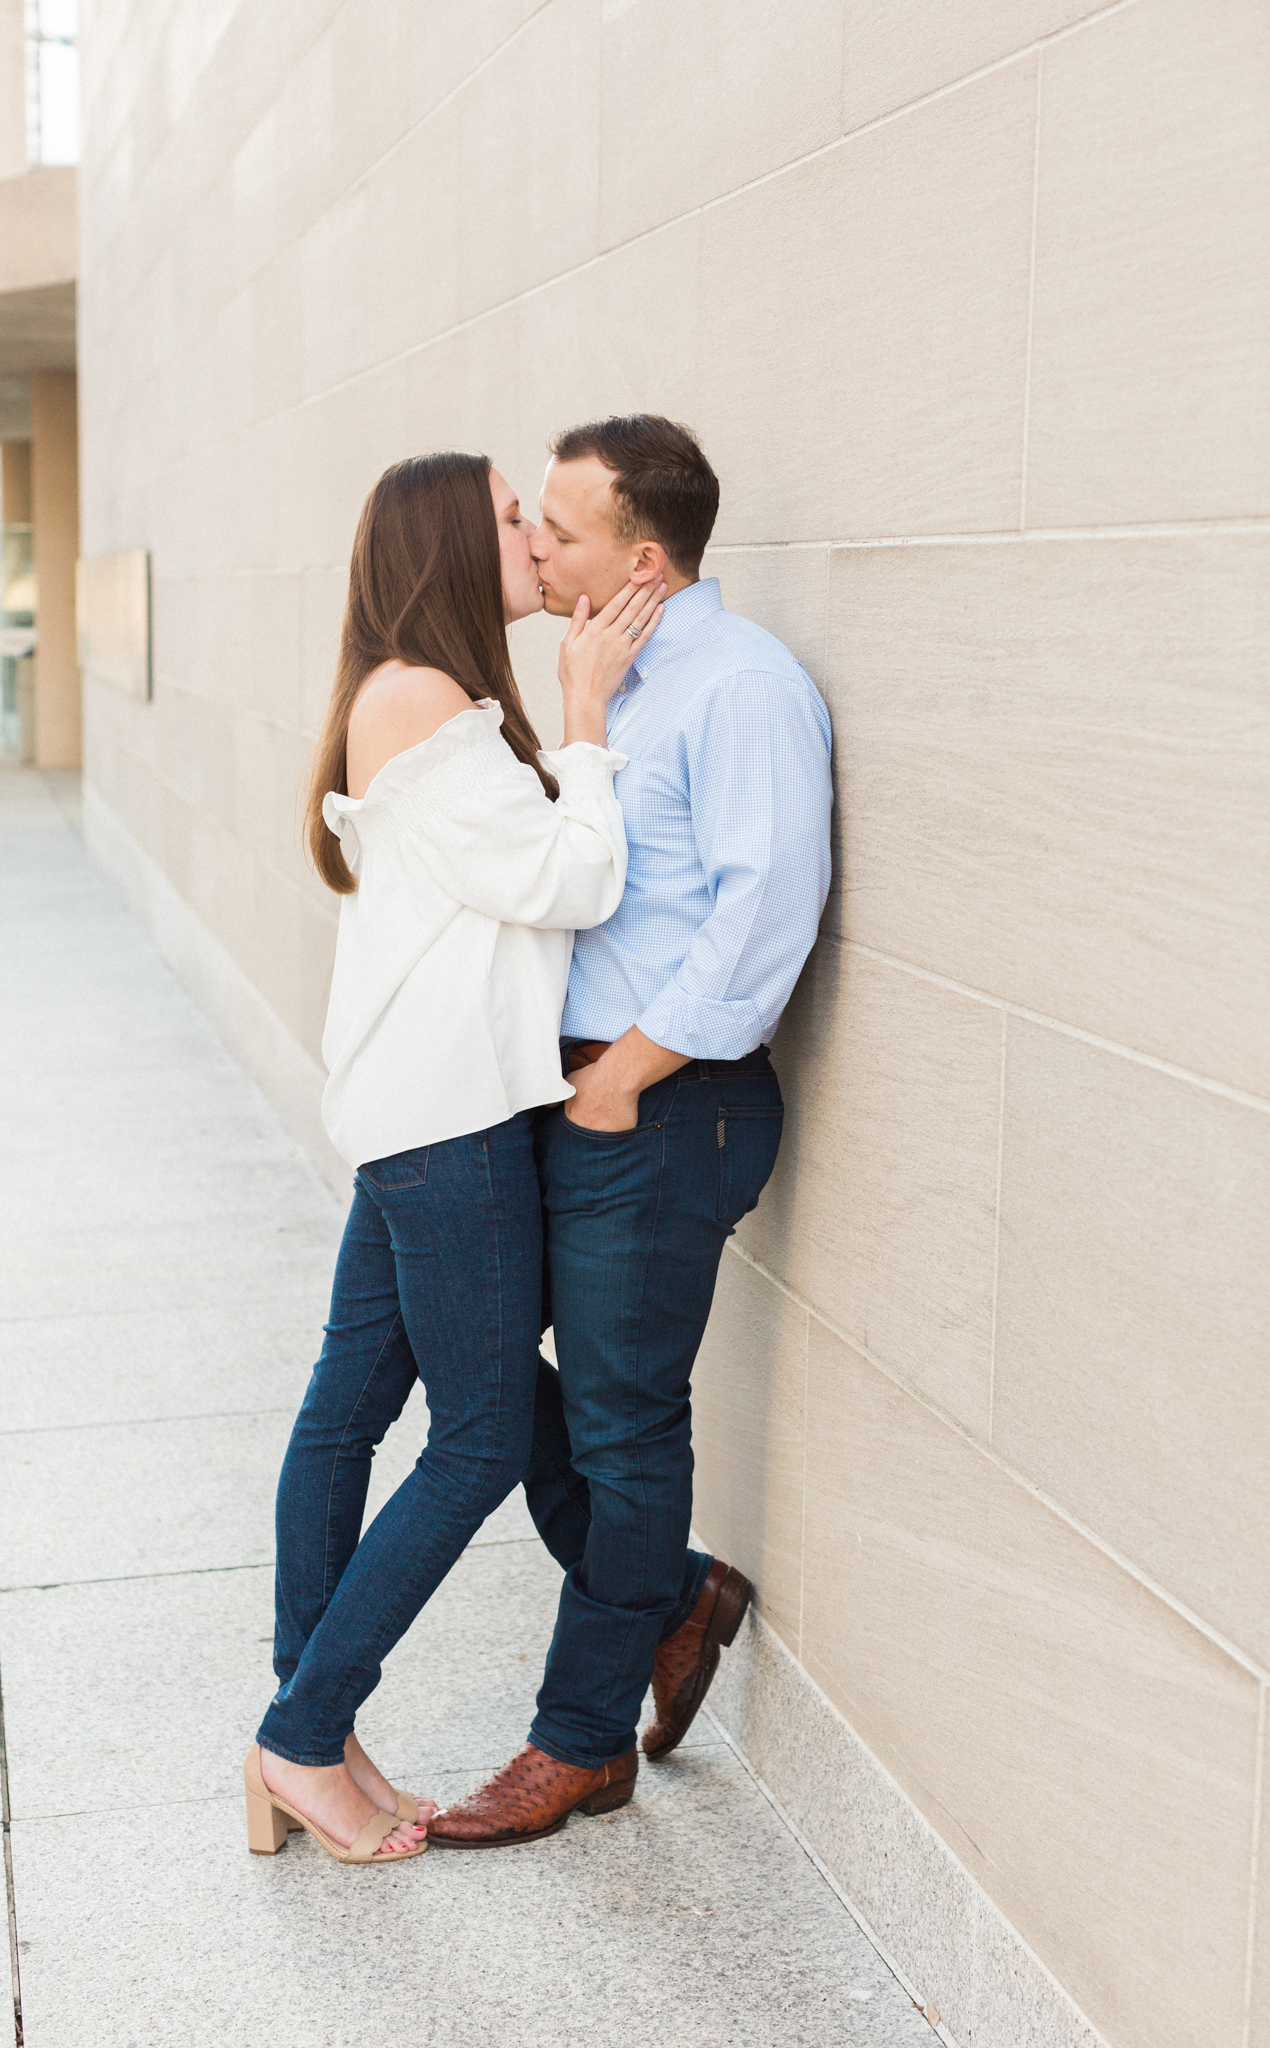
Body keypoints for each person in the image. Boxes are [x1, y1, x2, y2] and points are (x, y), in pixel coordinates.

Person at [243, 449, 664, 1866]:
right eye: (507, 516)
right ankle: (301, 1737)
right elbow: (571, 879)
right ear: (444, 541)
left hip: (415, 1113)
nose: (534, 535)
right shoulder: (425, 700)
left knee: (347, 1409)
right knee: (479, 1438)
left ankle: (306, 1730)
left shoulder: (404, 693)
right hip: (452, 1128)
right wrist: (589, 721)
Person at [428, 416, 833, 1849]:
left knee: (618, 1424)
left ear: (637, 558)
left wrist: (626, 1077)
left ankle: (579, 1741)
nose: (532, 544)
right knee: (470, 1359)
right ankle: (669, 1595)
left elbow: (762, 910)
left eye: (558, 527)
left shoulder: (740, 687)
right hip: (572, 1095)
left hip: (661, 1109)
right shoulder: (617, 679)